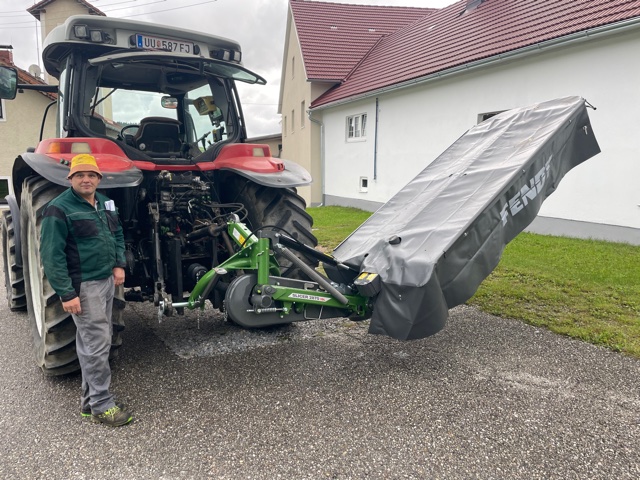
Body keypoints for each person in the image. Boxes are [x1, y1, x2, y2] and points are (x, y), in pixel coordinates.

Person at [40, 153, 133, 427]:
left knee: (90, 342)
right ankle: (102, 405)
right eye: (80, 175)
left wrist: (119, 265)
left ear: (99, 179)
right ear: (70, 179)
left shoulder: (106, 202)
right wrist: (66, 294)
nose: (86, 179)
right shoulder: (58, 209)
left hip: (106, 281)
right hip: (84, 285)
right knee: (97, 343)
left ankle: (88, 402)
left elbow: (117, 234)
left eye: (91, 175)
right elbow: (51, 256)